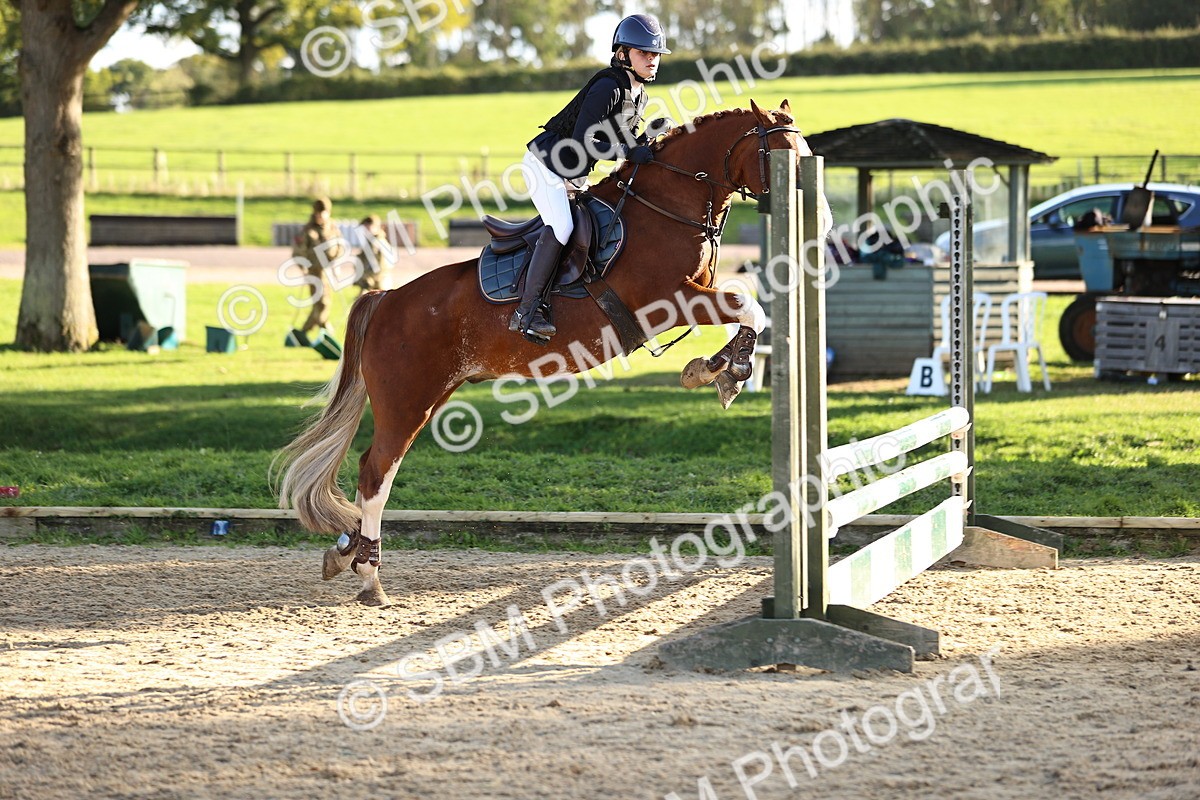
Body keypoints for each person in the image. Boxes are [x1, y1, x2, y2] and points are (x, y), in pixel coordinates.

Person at [512, 13, 673, 341]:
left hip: (574, 175)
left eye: (655, 54)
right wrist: (630, 150)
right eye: (644, 53)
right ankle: (527, 311)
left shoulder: (639, 95)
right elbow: (586, 138)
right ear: (622, 54)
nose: (652, 60)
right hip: (546, 165)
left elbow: (622, 141)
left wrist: (645, 141)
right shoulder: (608, 85)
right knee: (562, 226)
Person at [295, 197, 345, 339]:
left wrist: (337, 262)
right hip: (314, 271)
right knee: (322, 303)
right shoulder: (308, 230)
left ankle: (307, 332)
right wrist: (302, 265)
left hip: (329, 271)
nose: (320, 217)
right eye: (317, 214)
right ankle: (323, 330)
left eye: (323, 213)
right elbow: (299, 250)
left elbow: (340, 245)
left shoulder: (333, 228)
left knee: (324, 303)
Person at [353, 214, 392, 293]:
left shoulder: (379, 243)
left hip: (379, 283)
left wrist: (368, 279)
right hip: (370, 282)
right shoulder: (370, 242)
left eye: (367, 227)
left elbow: (383, 266)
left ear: (376, 227)